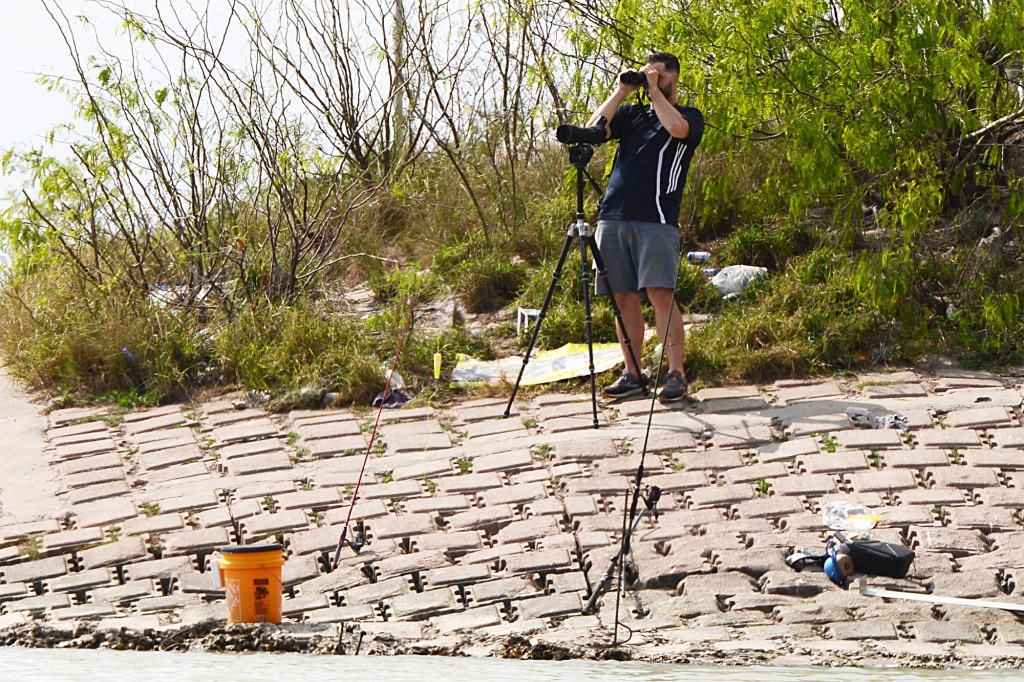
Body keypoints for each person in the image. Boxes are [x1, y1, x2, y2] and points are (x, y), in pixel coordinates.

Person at [586, 51, 704, 403]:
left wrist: (655, 92)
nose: (653, 80)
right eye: (649, 75)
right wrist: (621, 91)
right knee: (622, 298)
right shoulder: (631, 115)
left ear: (674, 79)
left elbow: (677, 130)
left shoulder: (689, 116)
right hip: (612, 217)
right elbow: (594, 130)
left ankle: (676, 373)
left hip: (655, 219)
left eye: (661, 76)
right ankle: (633, 373)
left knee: (660, 295)